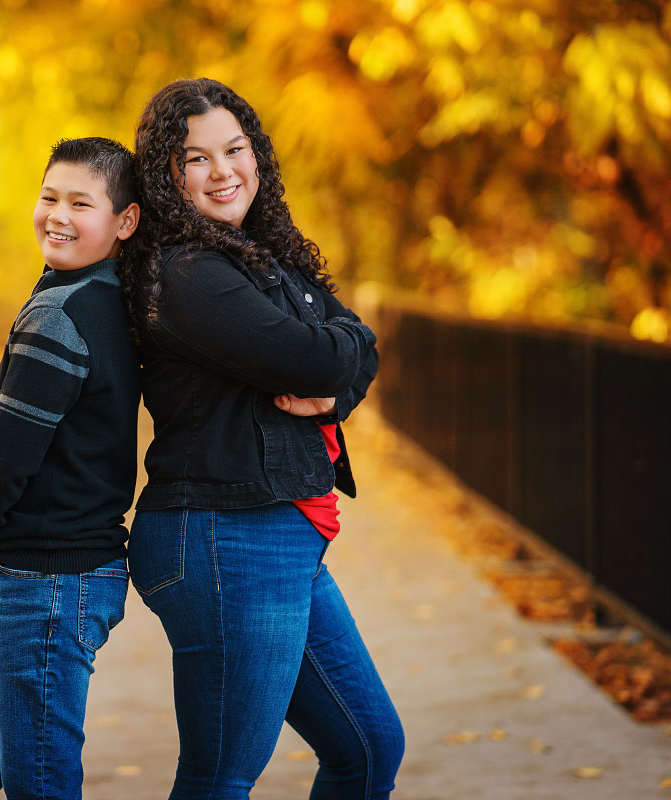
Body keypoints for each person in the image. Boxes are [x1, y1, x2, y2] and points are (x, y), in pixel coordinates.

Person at [120, 78, 404, 798]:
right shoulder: (188, 272)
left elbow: (358, 349)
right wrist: (333, 360)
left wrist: (333, 382)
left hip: (279, 530)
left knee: (368, 749)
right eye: (195, 158)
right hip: (225, 535)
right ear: (164, 175)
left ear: (256, 155)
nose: (222, 172)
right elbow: (324, 352)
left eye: (234, 149)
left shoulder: (255, 253)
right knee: (221, 778)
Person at [0, 137, 141, 800]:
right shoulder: (102, 300)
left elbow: (3, 458)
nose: (57, 215)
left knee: (37, 785)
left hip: (41, 583)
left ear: (124, 221)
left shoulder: (62, 314)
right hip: (27, 580)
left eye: (81, 202)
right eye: (49, 197)